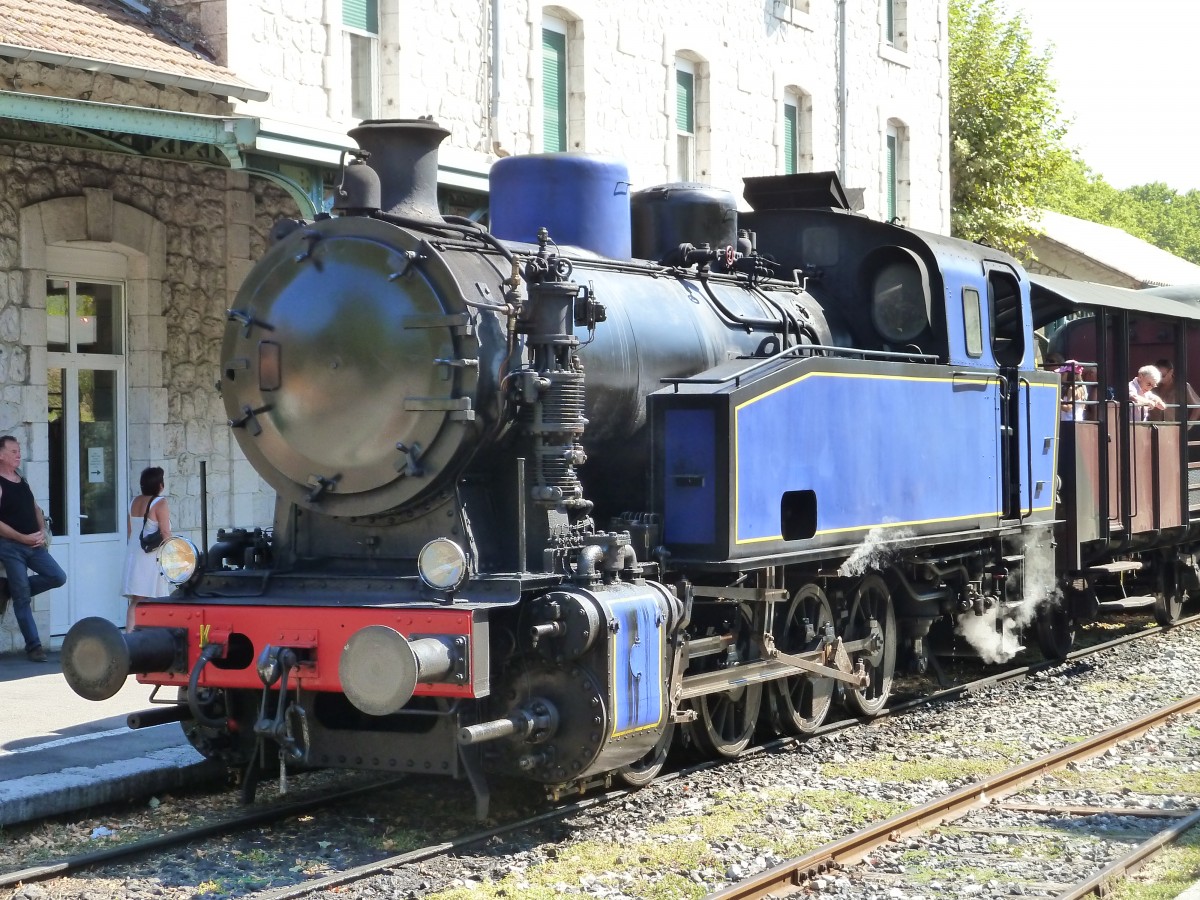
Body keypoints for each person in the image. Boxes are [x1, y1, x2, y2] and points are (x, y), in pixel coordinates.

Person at [0, 435, 66, 661]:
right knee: (23, 600)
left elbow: (35, 507)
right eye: (13, 451)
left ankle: (11, 589)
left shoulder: (22, 478)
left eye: (19, 451)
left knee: (58, 576)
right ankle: (34, 647)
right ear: (1, 455)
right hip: (10, 547)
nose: (18, 455)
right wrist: (22, 538)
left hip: (33, 545)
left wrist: (41, 533)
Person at [121, 466, 171, 631]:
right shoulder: (160, 503)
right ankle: (158, 635)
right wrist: (172, 553)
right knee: (157, 597)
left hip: (134, 553)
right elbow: (165, 532)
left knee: (137, 599)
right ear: (159, 485)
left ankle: (130, 635)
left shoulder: (133, 502)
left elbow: (130, 531)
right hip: (151, 556)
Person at [1148, 358, 1200, 423]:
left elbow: (1197, 406)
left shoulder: (1182, 387)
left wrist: (1189, 425)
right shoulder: (1151, 386)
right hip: (1154, 427)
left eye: (1163, 375)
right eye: (1157, 376)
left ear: (1171, 372)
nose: (1160, 379)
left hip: (1174, 427)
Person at [1045, 353, 1089, 421]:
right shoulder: (1081, 388)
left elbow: (1068, 408)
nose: (1060, 375)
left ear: (1069, 375)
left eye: (1062, 374)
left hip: (1069, 422)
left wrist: (1056, 399)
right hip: (1077, 421)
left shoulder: (1072, 389)